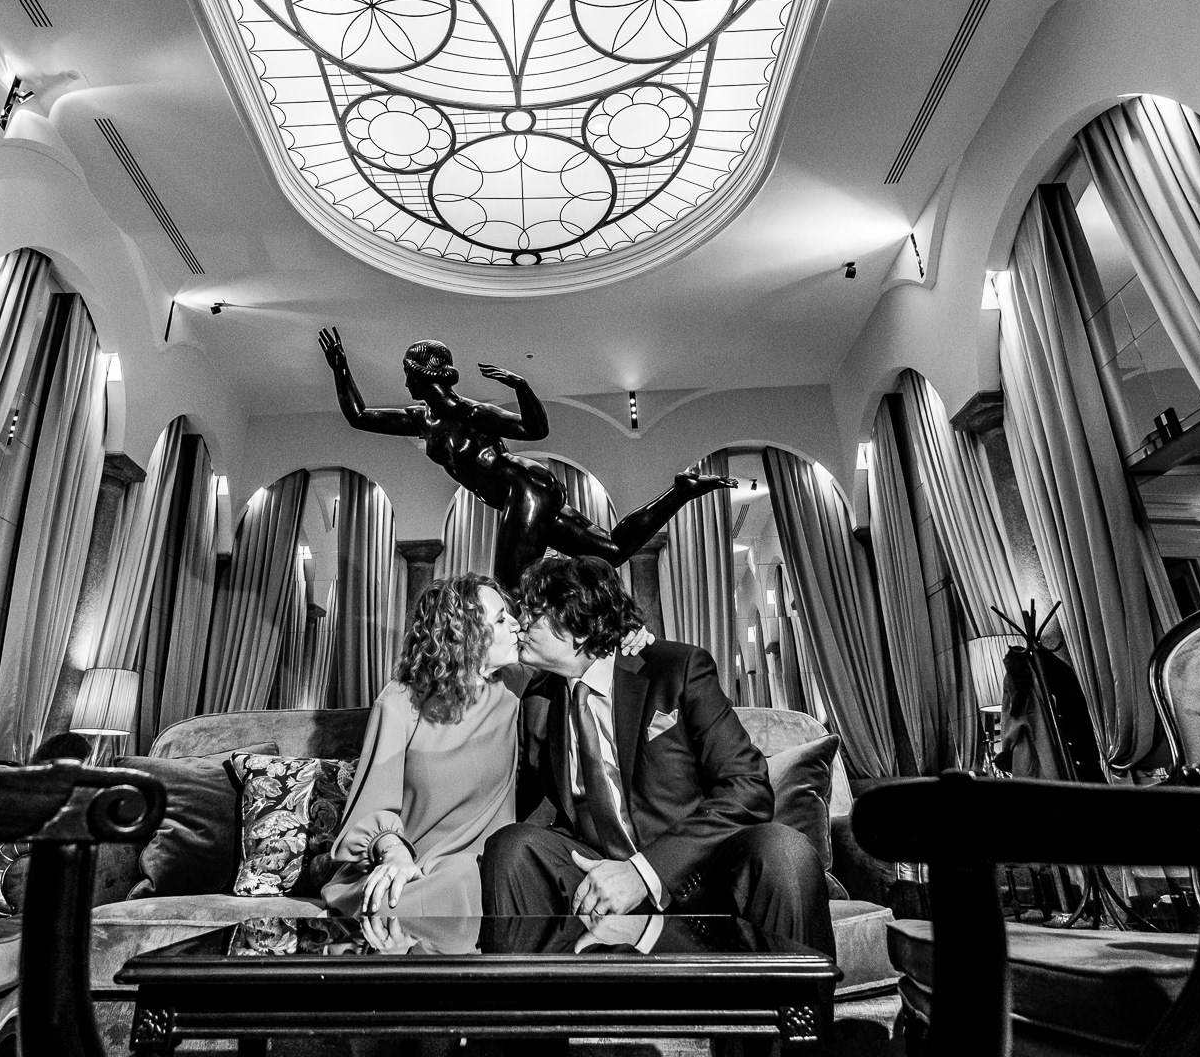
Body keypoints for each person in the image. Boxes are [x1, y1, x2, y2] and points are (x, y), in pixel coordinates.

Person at [482, 556, 833, 955]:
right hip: (596, 877)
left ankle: (801, 996)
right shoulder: (537, 702)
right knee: (512, 847)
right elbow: (505, 797)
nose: (520, 623)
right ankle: (529, 995)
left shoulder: (676, 669)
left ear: (577, 621)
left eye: (534, 613)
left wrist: (643, 873)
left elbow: (748, 786)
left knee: (784, 850)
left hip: (697, 874)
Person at [324, 572, 651, 922]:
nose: (517, 624)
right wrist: (394, 853)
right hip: (407, 866)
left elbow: (584, 657)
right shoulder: (401, 701)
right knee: (393, 902)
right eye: (500, 619)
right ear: (462, 634)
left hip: (484, 871)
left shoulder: (519, 688)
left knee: (463, 885)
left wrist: (622, 636)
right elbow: (371, 806)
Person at [318, 328, 732, 592]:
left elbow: (535, 430)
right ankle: (681, 492)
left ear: (420, 374)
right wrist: (341, 368)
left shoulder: (471, 412)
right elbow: (359, 416)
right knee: (612, 550)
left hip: (526, 488)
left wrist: (521, 386)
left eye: (407, 372)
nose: (404, 381)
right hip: (523, 496)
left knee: (510, 586)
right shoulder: (420, 419)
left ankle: (523, 673)